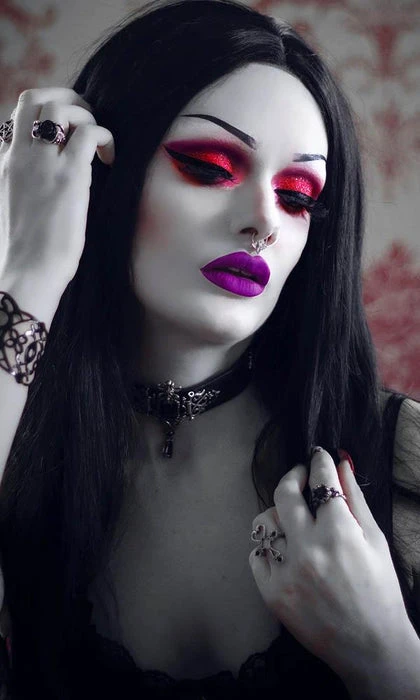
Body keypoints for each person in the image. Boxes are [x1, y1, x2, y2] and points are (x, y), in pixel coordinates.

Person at [0, 0, 419, 697]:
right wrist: (28, 271)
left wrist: (389, 658)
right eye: (209, 165)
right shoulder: (16, 438)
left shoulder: (403, 461)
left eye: (296, 195)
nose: (263, 221)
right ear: (98, 177)